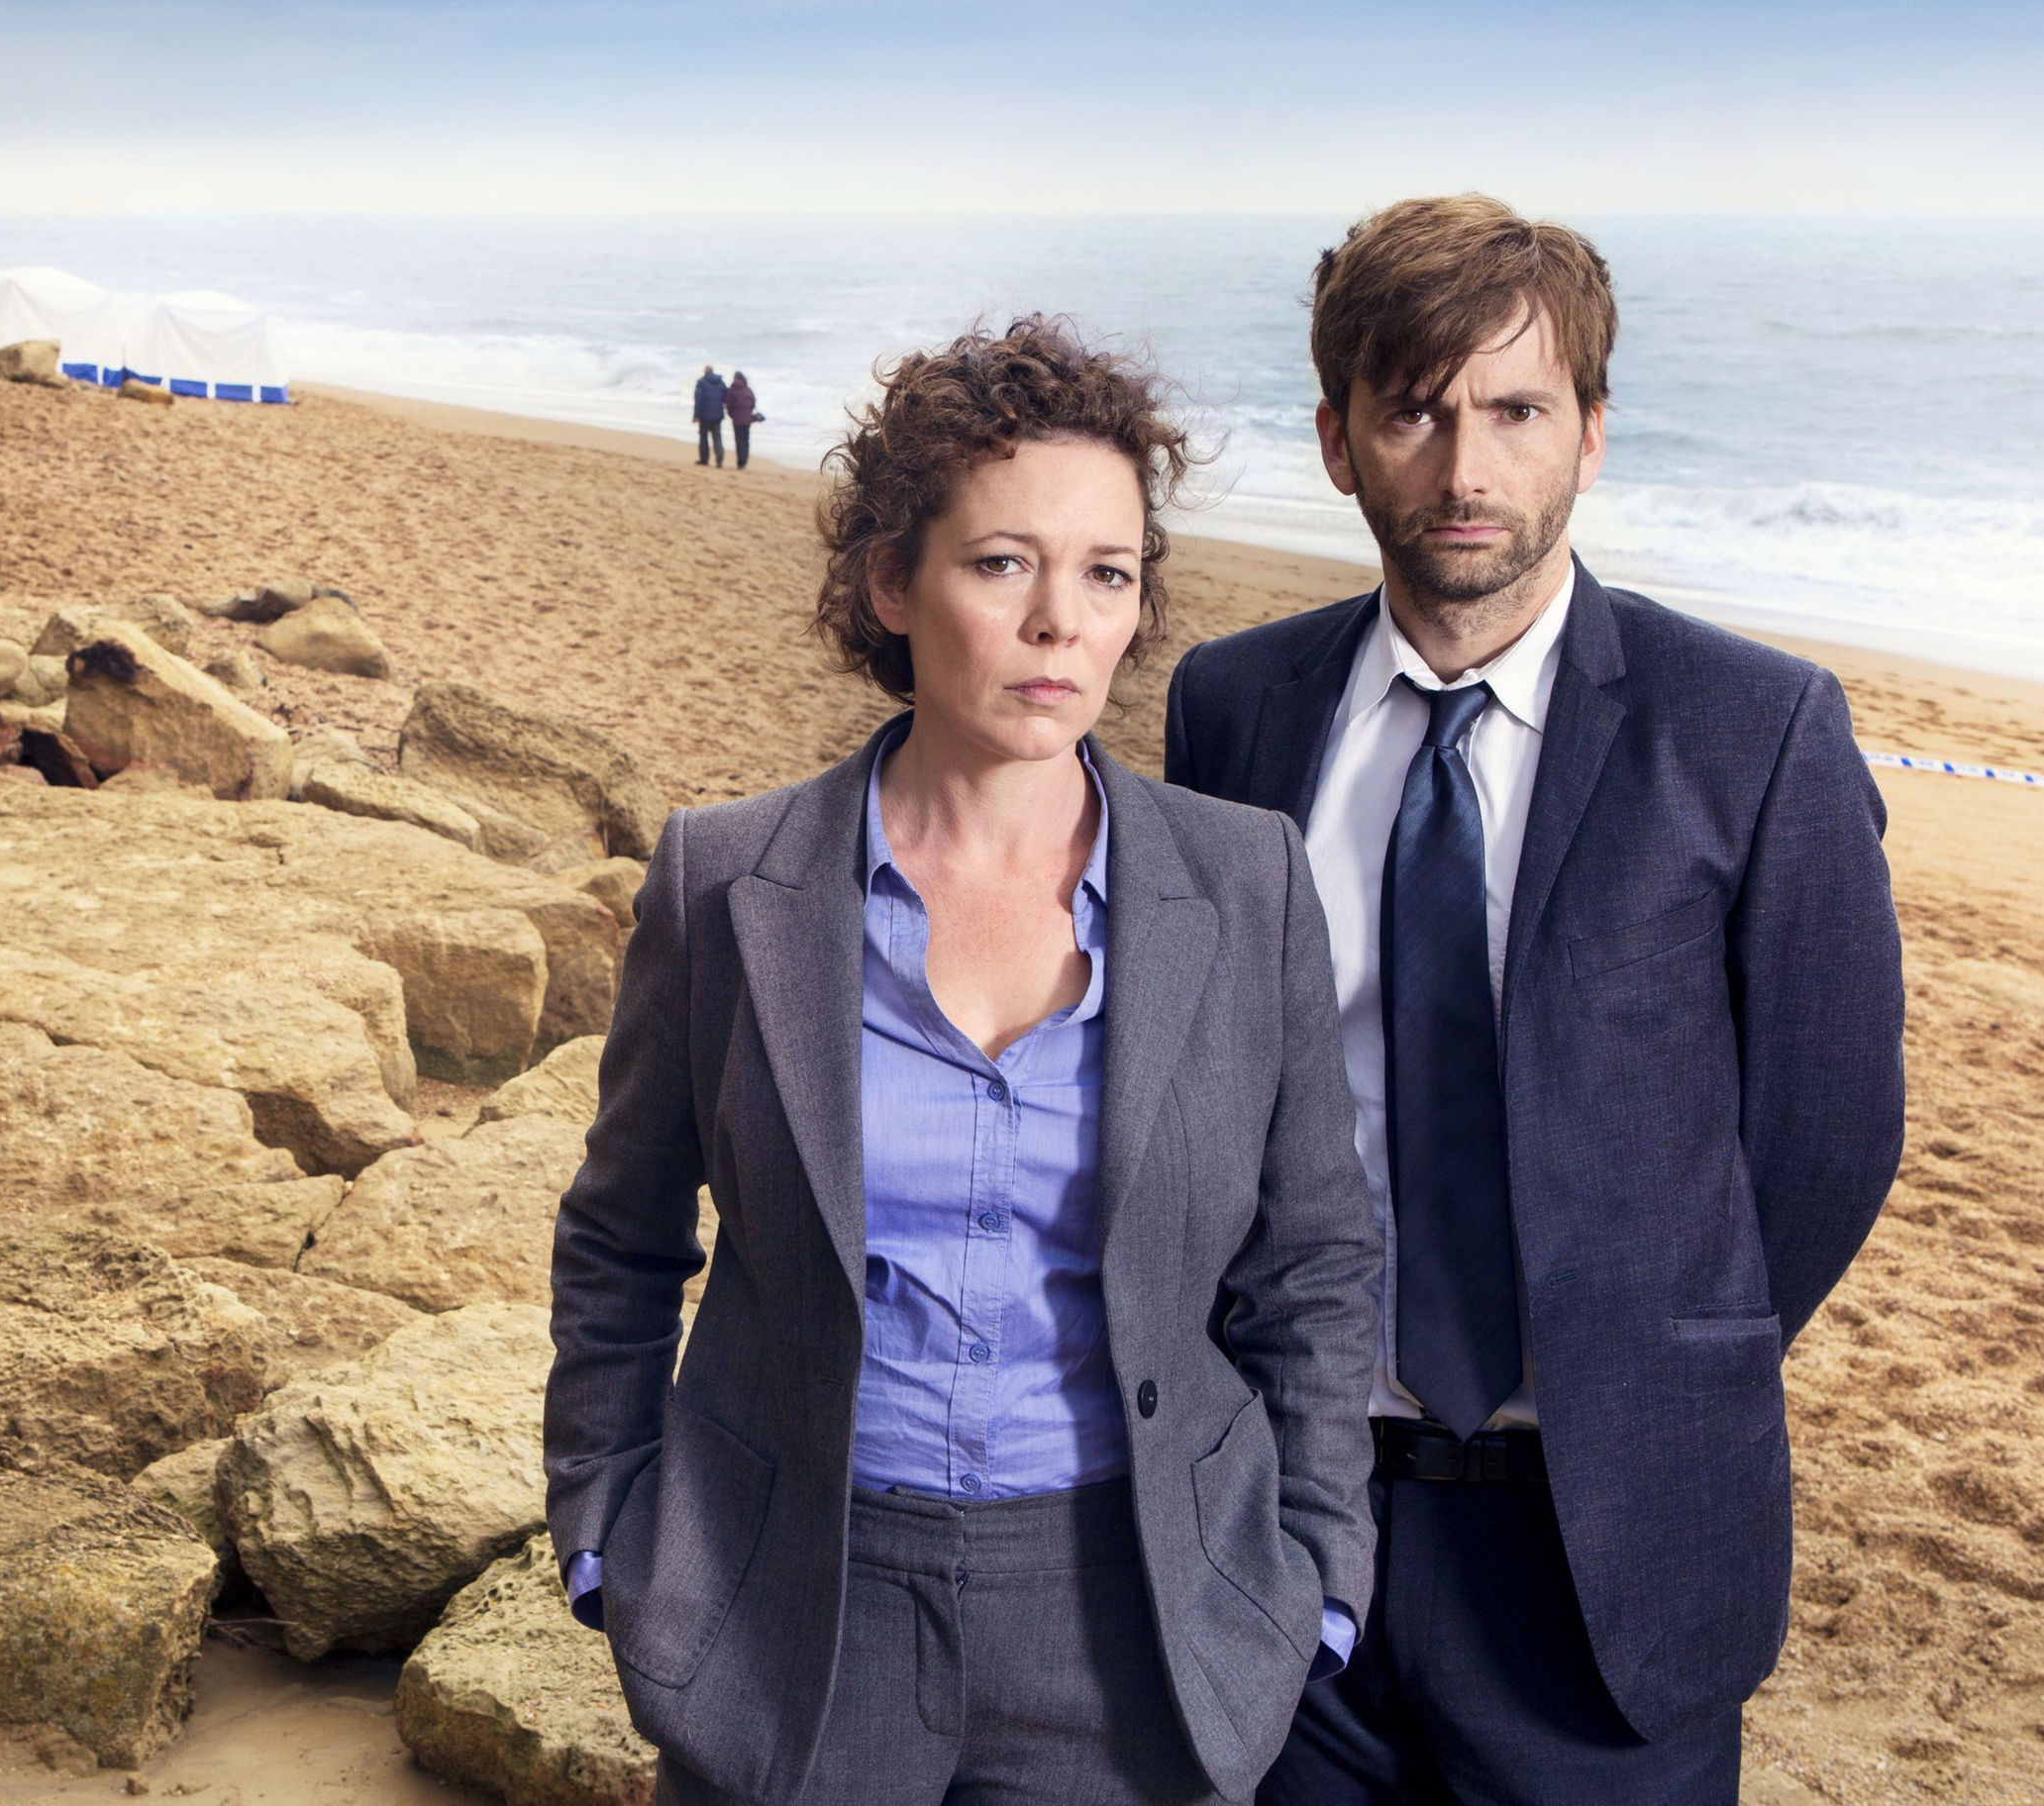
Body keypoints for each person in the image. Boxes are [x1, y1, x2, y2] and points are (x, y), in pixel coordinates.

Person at [549, 317, 1382, 1806]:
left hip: (1134, 1619)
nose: (1061, 621)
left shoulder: (1244, 884)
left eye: (1107, 573)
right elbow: (618, 1239)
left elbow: (1316, 1260)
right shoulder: (724, 881)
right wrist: (612, 1531)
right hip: (799, 1600)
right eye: (1004, 563)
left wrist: (1315, 1570)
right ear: (891, 582)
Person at [1161, 195, 1905, 1803]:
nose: (1466, 467)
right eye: (1414, 411)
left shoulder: (1754, 731)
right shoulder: (1237, 710)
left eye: (1515, 410)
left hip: (1604, 1555)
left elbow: (1829, 1137)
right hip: (1293, 1525)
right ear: (1340, 439)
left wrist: (1657, 1362)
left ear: (1594, 436)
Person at [694, 364, 730, 465]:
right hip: (717, 415)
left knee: (703, 437)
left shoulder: (701, 382)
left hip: (704, 415)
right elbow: (725, 397)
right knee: (717, 437)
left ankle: (704, 459)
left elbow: (698, 400)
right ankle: (719, 457)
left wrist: (696, 416)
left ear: (705, 372)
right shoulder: (720, 382)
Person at [725, 370, 762, 467]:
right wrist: (749, 412)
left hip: (737, 419)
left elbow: (728, 405)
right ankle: (744, 460)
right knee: (746, 440)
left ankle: (740, 461)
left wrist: (732, 415)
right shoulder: (748, 389)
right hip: (747, 419)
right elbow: (753, 402)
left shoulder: (732, 390)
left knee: (739, 441)